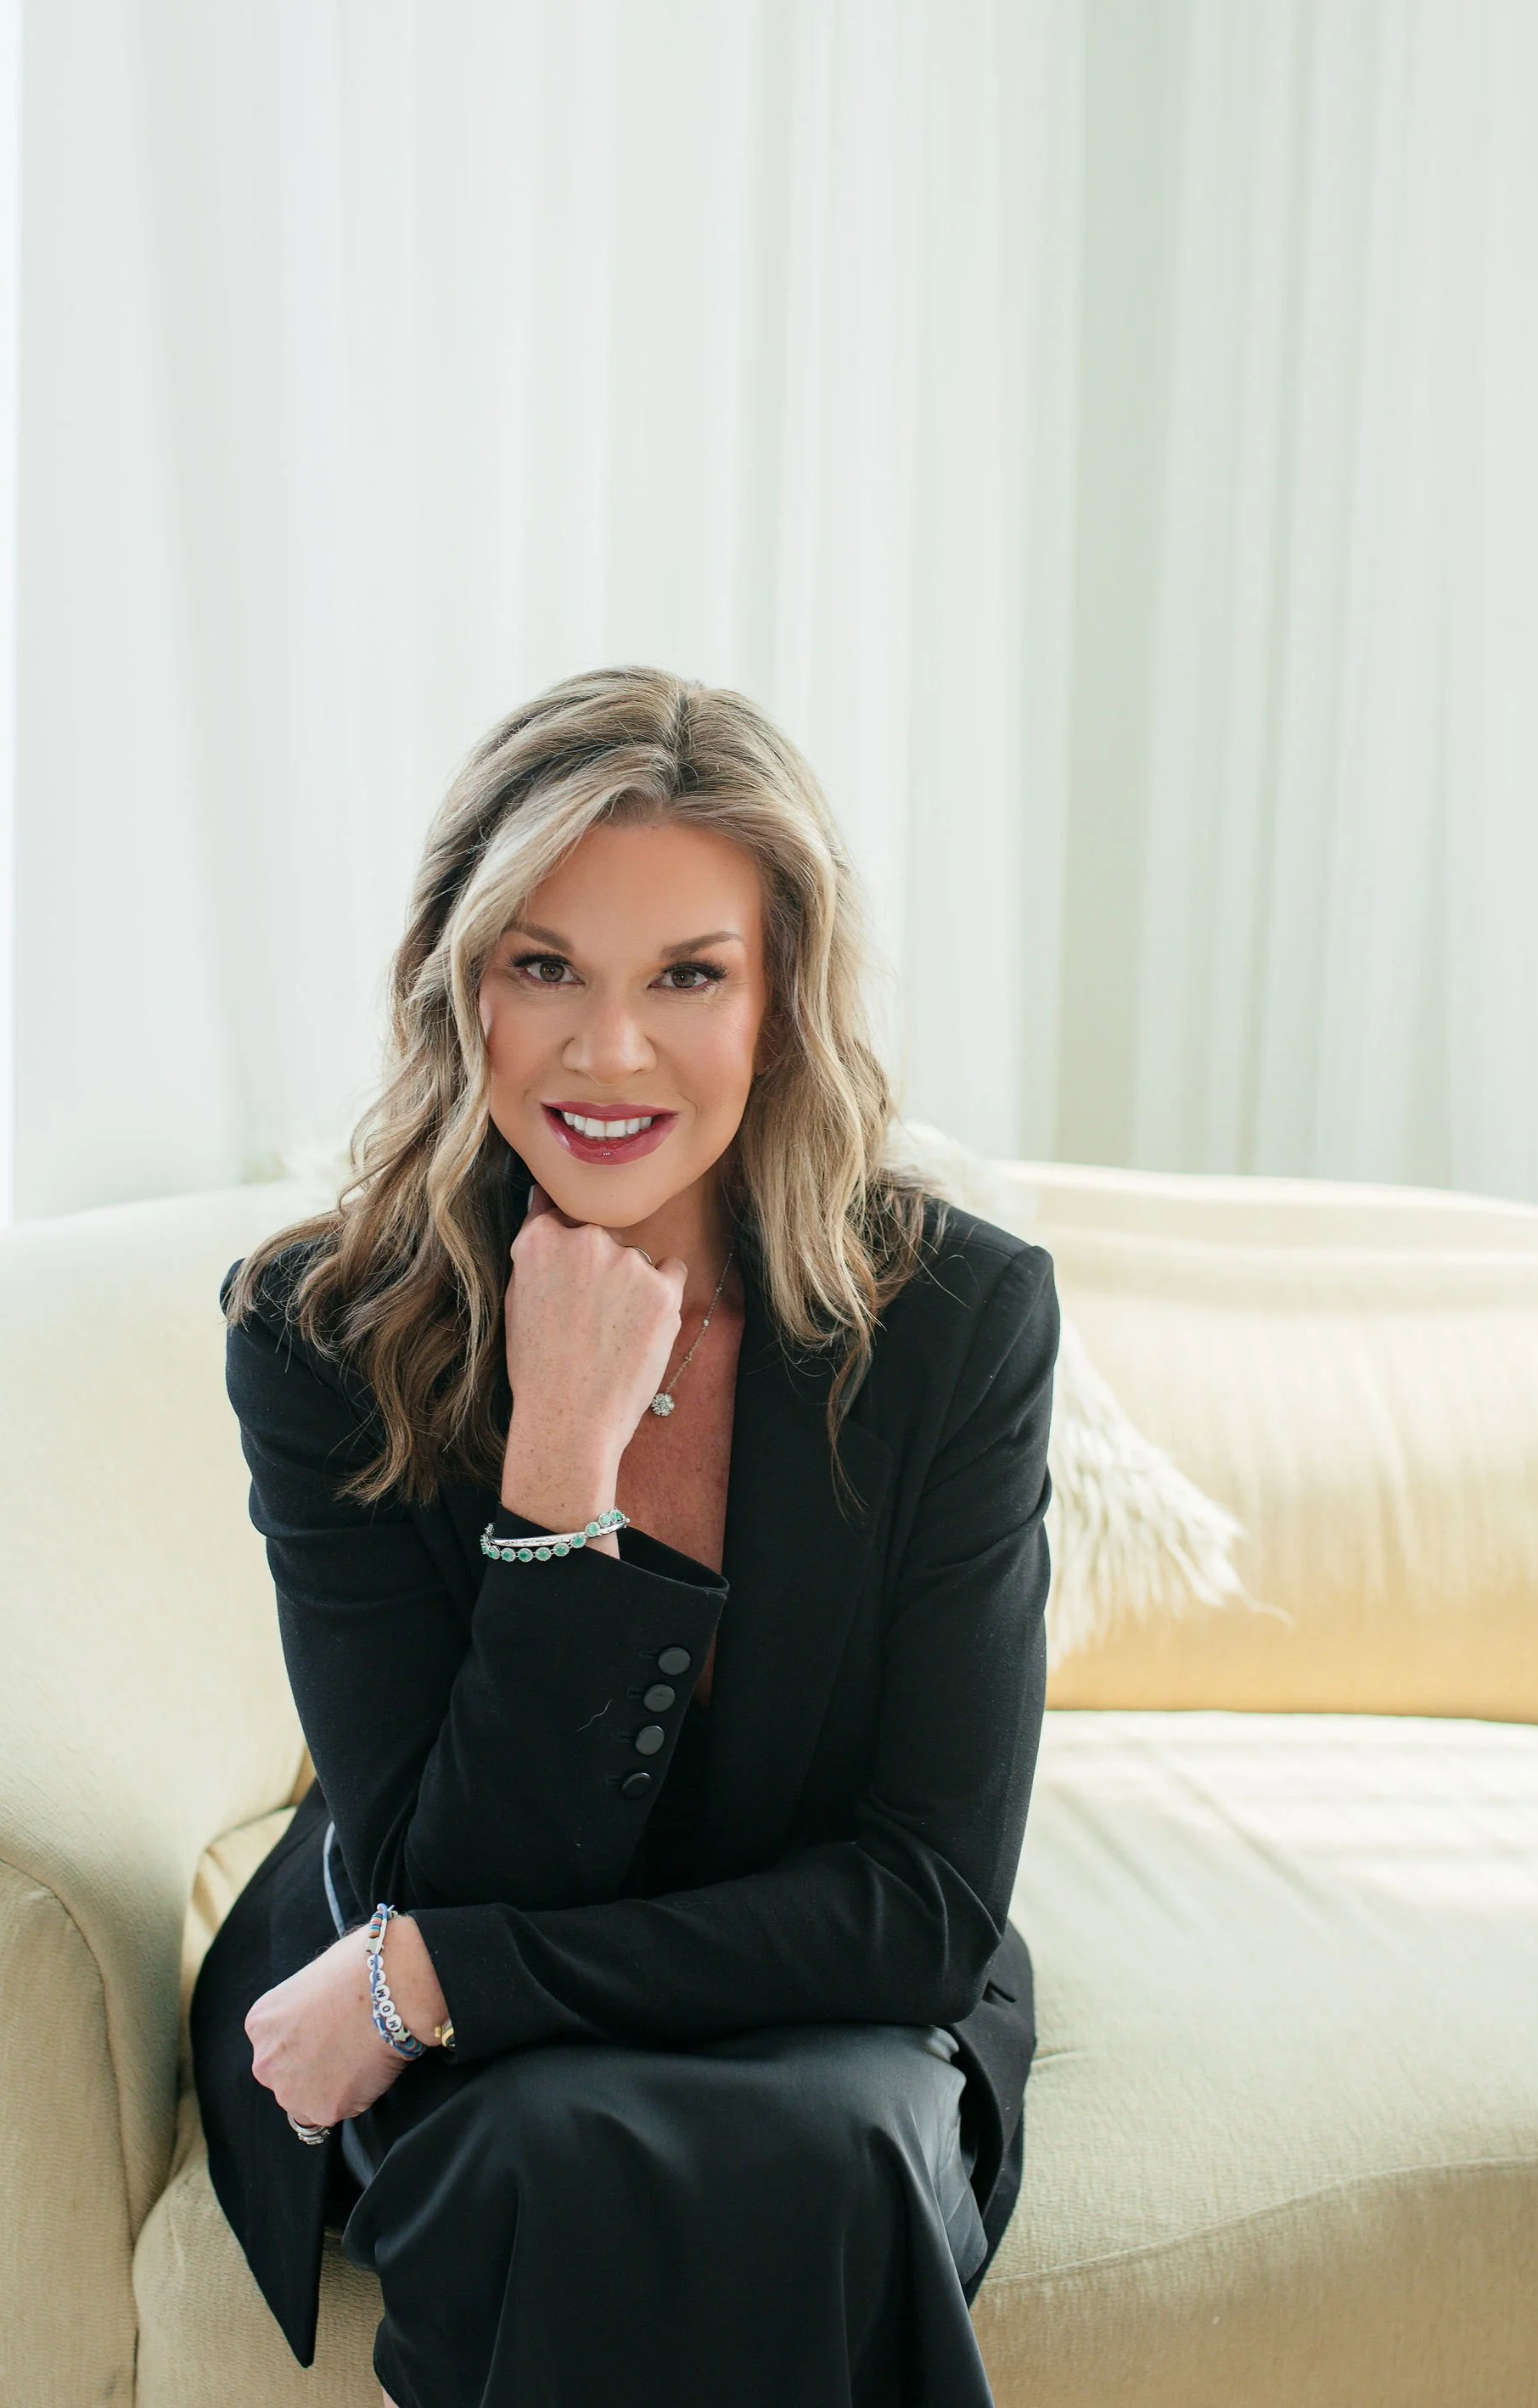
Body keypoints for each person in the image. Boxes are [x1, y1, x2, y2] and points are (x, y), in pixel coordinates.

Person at [190, 665, 1061, 2408]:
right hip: (462, 1998)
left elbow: (919, 1909)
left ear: (781, 1001)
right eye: (544, 969)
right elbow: (445, 1867)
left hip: (812, 2006)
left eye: (687, 975)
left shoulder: (957, 1316)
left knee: (827, 2149)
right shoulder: (322, 1334)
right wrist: (562, 1467)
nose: (608, 1050)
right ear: (463, 991)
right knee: (545, 2147)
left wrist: (438, 1975)